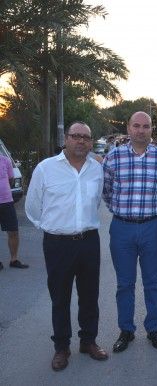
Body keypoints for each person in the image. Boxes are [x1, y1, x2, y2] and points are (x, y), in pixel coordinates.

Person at [25, 122, 108, 371]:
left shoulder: (97, 170)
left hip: (89, 241)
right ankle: (61, 347)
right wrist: (53, 227)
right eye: (75, 136)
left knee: (89, 296)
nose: (80, 141)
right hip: (57, 243)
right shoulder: (46, 169)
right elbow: (32, 207)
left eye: (86, 137)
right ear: (66, 139)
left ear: (91, 142)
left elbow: (95, 203)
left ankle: (88, 341)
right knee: (60, 297)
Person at [103, 111, 157, 353]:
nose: (141, 130)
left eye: (146, 126)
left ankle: (153, 328)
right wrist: (122, 212)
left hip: (152, 227)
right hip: (122, 228)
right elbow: (107, 191)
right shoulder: (113, 157)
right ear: (128, 128)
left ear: (152, 129)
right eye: (136, 126)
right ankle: (126, 330)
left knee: (153, 282)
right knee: (125, 283)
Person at [0, 154, 27, 270]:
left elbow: (11, 179)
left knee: (13, 231)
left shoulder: (5, 160)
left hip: (6, 201)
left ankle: (14, 260)